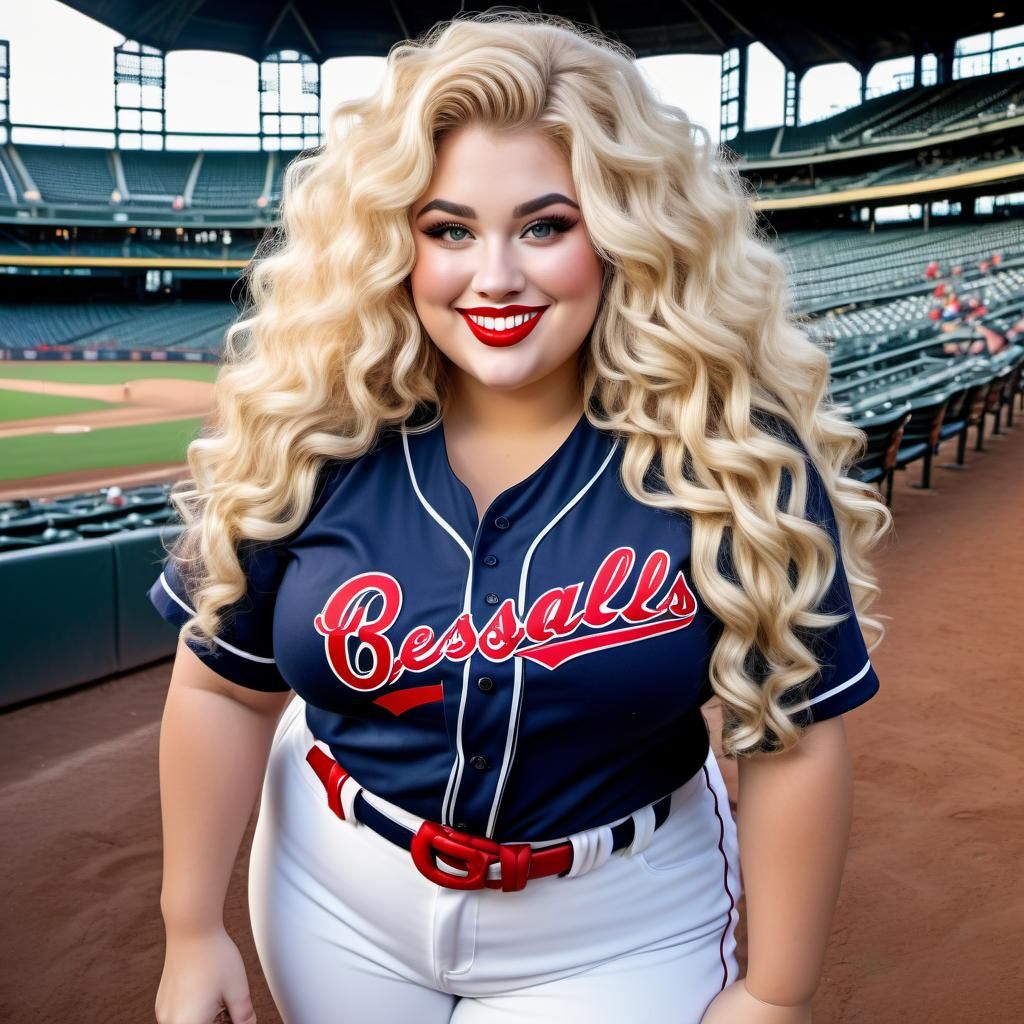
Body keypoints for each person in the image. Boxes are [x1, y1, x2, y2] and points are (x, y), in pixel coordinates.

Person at [147, 11, 892, 1024]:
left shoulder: (730, 453)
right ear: (392, 243)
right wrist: (190, 923)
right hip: (333, 886)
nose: (494, 275)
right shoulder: (313, 428)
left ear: (626, 233)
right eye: (449, 230)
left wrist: (777, 991)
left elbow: (791, 736)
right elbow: (223, 687)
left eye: (545, 225)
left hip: (618, 921)